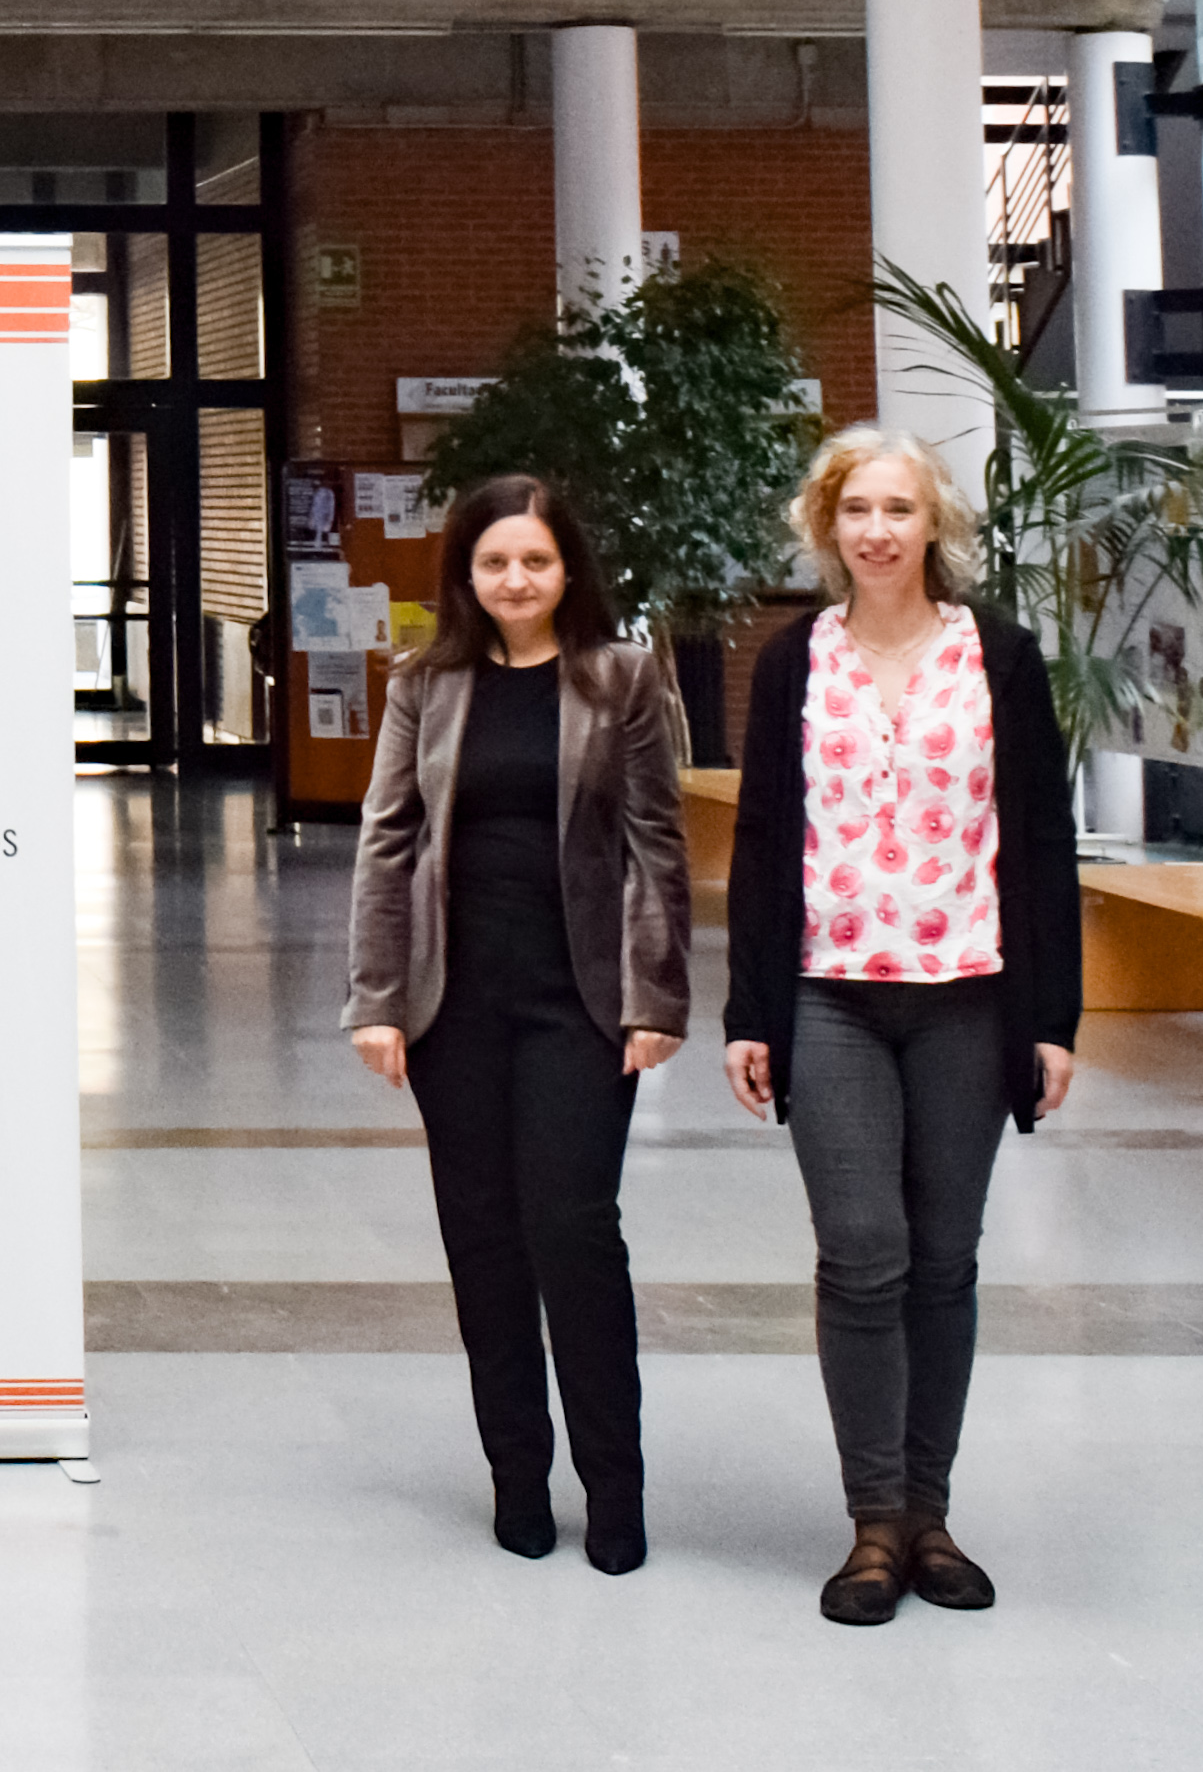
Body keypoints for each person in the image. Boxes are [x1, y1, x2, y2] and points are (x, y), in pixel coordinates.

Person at [720, 423, 1082, 1629]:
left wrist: (1053, 1017)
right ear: (826, 528)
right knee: (859, 1249)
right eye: (854, 510)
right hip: (828, 992)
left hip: (968, 994)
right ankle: (871, 1523)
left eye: (897, 509)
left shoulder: (1001, 658)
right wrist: (746, 1009)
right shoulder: (792, 663)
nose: (876, 531)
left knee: (943, 1258)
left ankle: (928, 1514)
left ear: (934, 527)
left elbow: (1038, 841)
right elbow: (765, 841)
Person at [343, 476, 689, 1571]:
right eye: (494, 563)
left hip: (578, 1006)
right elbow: (384, 840)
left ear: (566, 569)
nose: (514, 580)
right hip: (455, 1007)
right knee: (483, 1243)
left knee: (573, 1232)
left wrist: (655, 997)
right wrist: (376, 998)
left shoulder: (620, 679)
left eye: (534, 561)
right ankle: (514, 1474)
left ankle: (614, 1485)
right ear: (465, 574)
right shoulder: (423, 684)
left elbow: (655, 848)